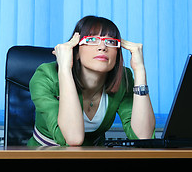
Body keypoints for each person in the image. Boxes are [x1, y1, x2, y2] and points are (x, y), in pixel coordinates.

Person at [28, 15, 155, 146]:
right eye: (92, 39)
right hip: (45, 154)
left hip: (94, 155)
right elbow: (73, 139)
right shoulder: (46, 75)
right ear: (76, 51)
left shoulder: (124, 78)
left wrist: (140, 70)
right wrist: (65, 69)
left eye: (110, 42)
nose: (102, 47)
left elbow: (143, 137)